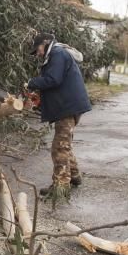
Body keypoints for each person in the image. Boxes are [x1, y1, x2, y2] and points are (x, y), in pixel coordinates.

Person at [27, 31, 91, 198]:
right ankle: (74, 176)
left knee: (59, 147)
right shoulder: (56, 54)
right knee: (64, 143)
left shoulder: (57, 53)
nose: (38, 53)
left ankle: (60, 186)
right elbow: (56, 83)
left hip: (68, 107)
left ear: (46, 43)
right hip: (69, 106)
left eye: (38, 49)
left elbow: (53, 79)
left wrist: (31, 83)